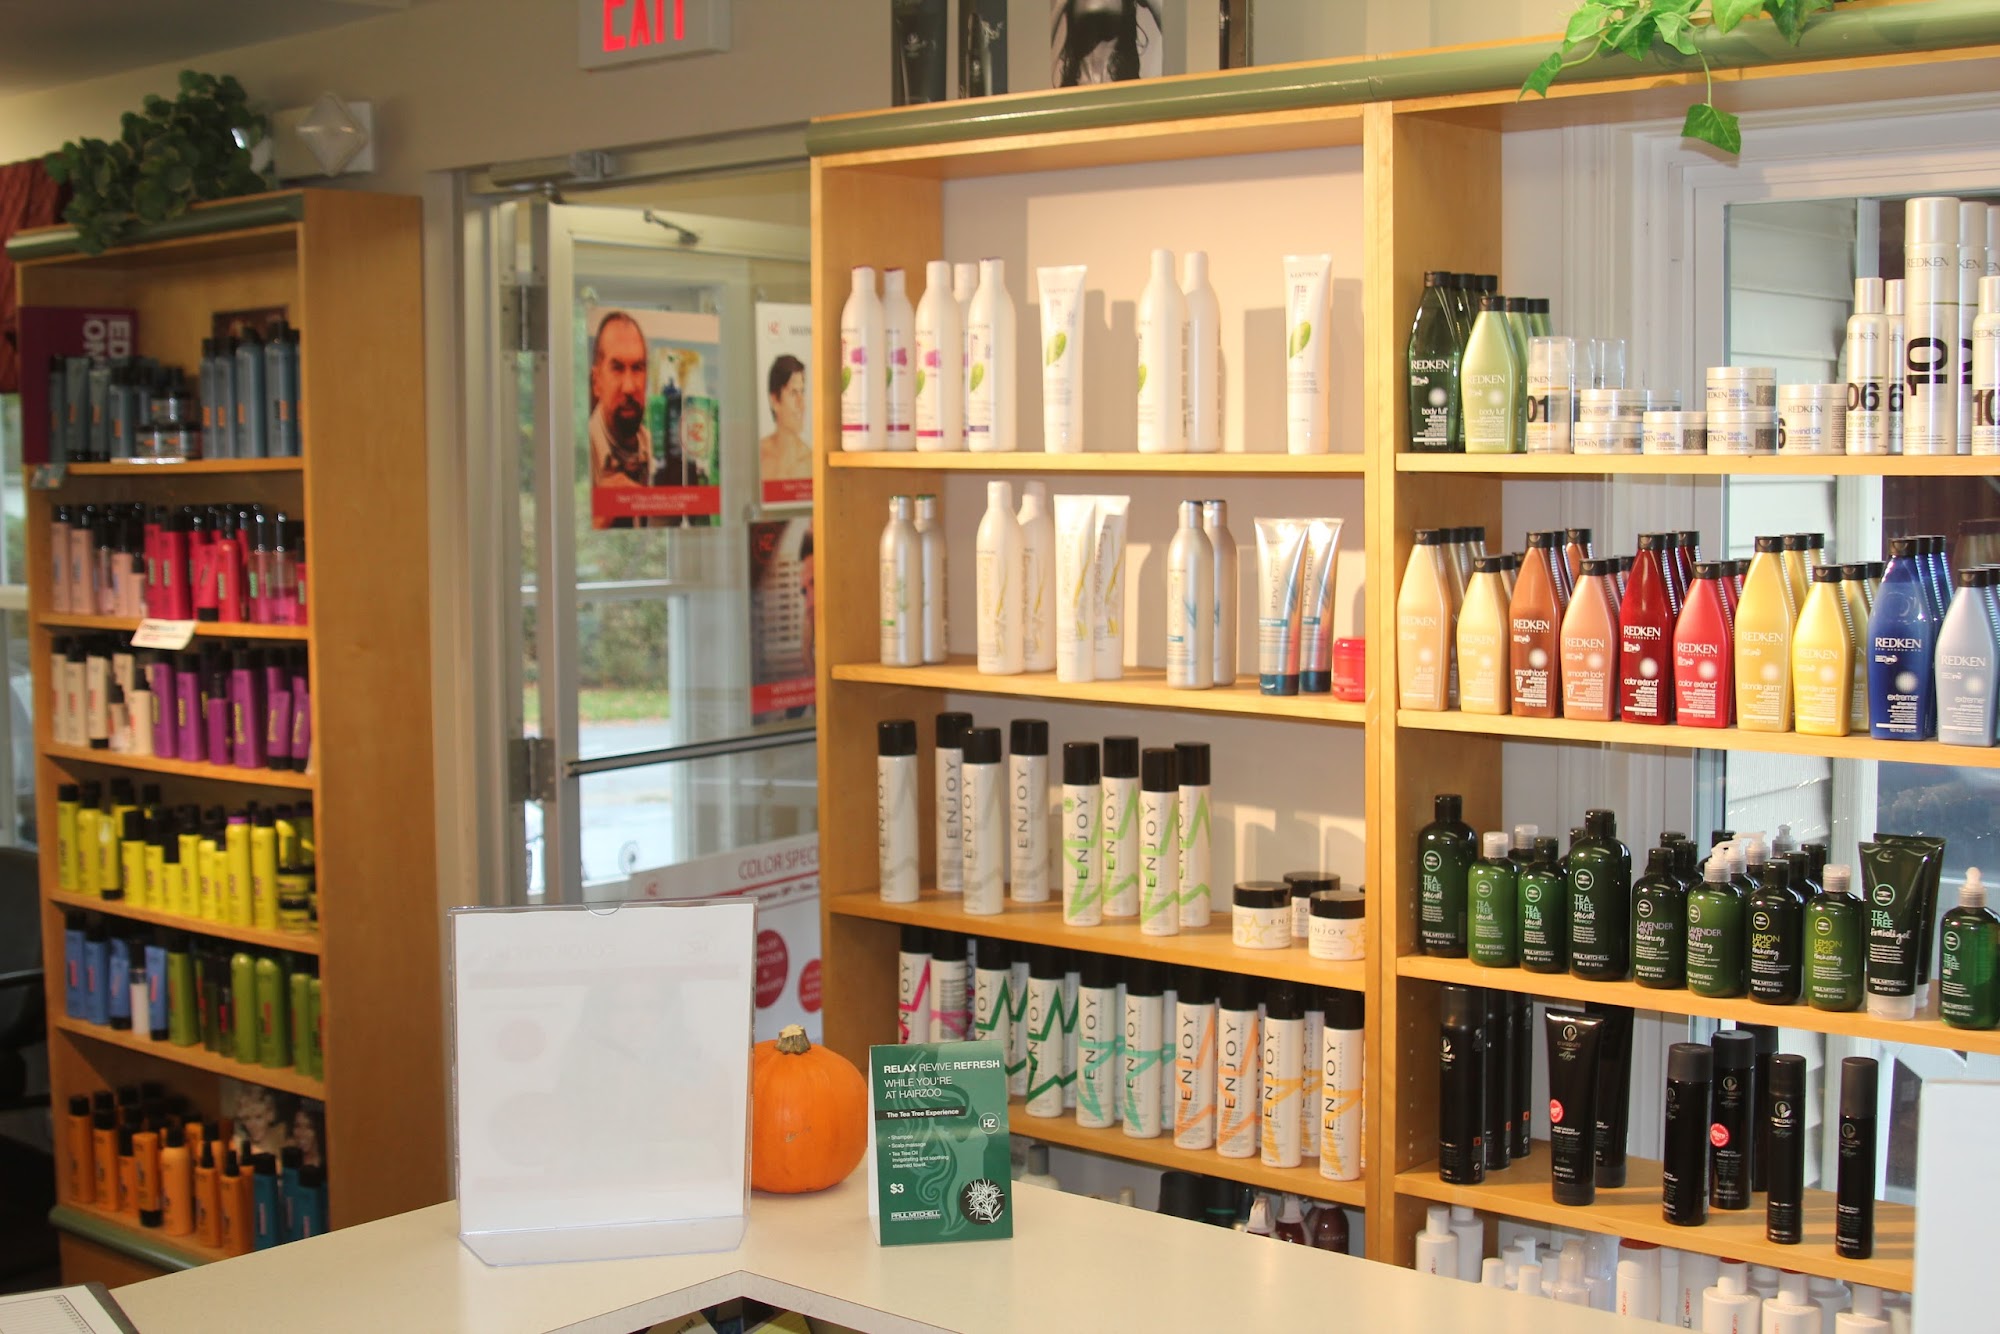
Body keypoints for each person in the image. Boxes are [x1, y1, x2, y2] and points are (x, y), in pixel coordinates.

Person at [588, 311, 654, 494]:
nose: (629, 387)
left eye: (637, 368)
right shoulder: (578, 457)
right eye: (617, 368)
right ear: (597, 382)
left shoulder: (654, 450)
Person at [759, 354, 810, 497]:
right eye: (793, 393)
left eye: (802, 392)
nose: (802, 404)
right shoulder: (758, 456)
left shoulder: (811, 462)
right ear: (775, 400)